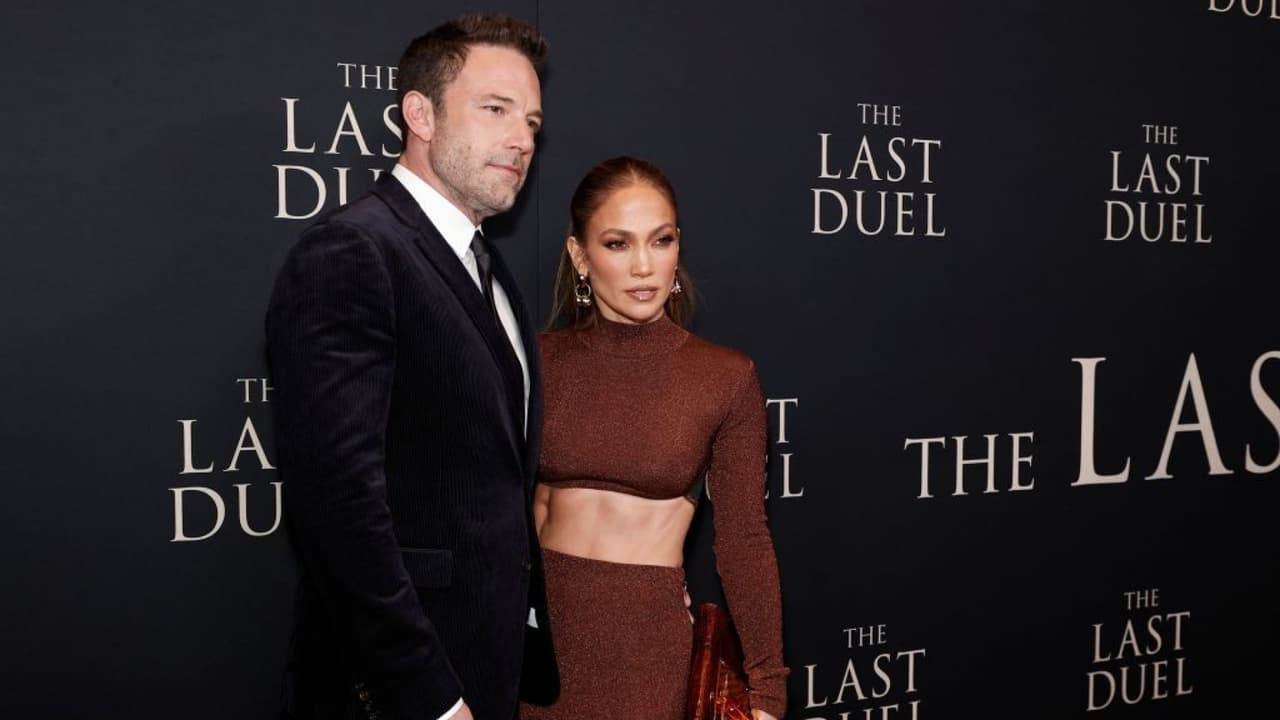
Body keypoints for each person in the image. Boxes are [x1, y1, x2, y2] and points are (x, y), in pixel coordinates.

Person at [265, 14, 557, 720]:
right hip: (400, 689)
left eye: (531, 122)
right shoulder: (355, 252)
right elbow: (339, 509)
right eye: (495, 109)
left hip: (484, 666)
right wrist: (428, 695)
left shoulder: (487, 267)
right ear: (419, 114)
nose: (522, 139)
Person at [520, 157, 788, 720]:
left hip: (645, 655)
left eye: (660, 241)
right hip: (532, 648)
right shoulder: (537, 361)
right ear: (580, 256)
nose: (644, 266)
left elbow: (743, 540)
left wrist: (768, 691)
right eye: (617, 244)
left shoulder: (724, 377)